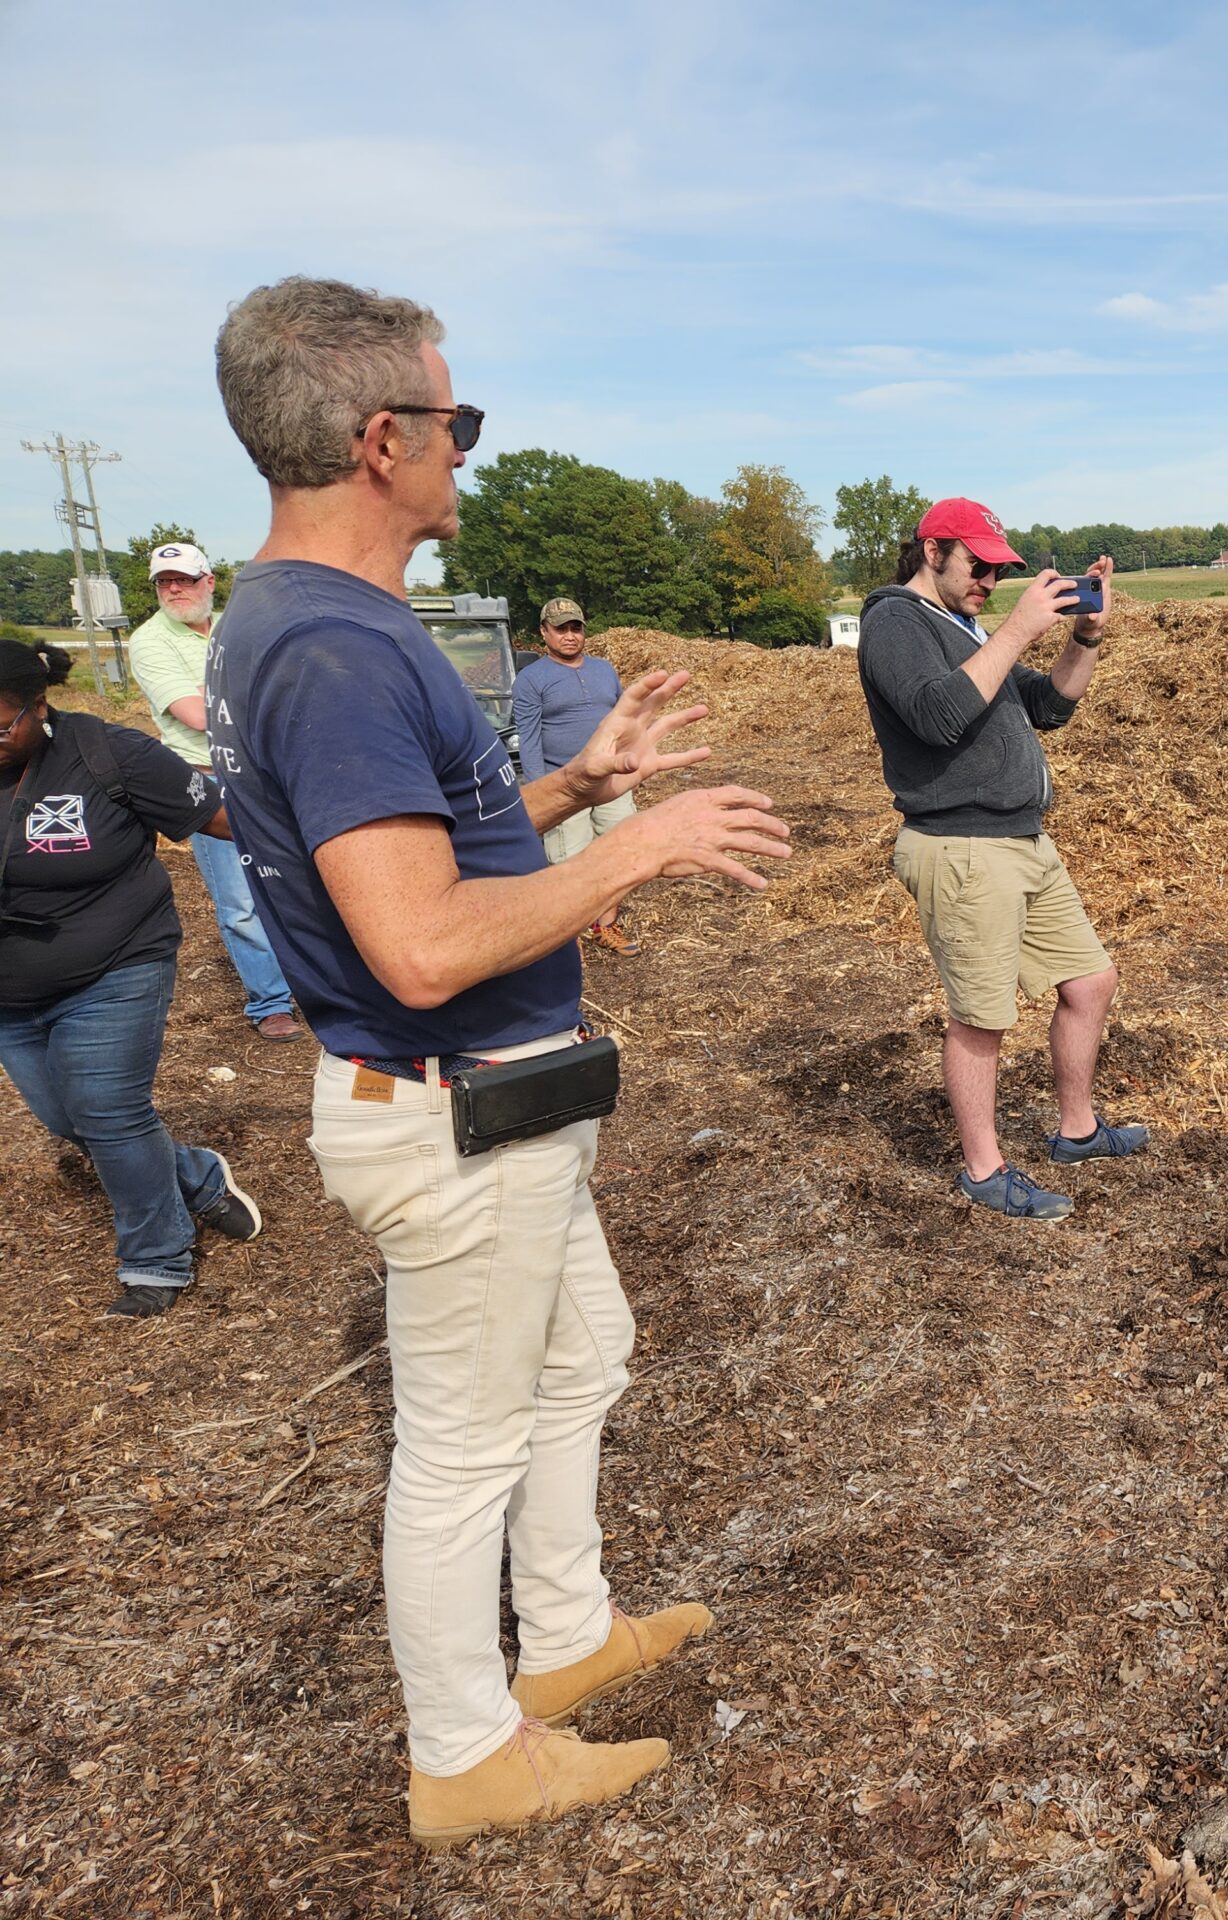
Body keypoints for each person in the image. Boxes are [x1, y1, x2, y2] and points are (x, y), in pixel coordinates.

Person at [206, 275, 791, 1846]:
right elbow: (414, 947)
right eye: (457, 422)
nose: (469, 450)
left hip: (503, 1109)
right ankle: (464, 1754)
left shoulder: (318, 625)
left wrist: (578, 786)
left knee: (582, 1361)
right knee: (460, 1448)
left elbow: (417, 862)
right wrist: (639, 850)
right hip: (455, 1117)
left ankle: (571, 1633)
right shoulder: (333, 648)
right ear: (380, 437)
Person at [858, 498, 1149, 1221]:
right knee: (982, 1017)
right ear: (934, 552)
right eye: (979, 564)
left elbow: (1050, 705)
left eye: (1000, 569)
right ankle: (984, 1172)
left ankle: (1076, 1131)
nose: (991, 577)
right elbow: (936, 716)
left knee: (1090, 981)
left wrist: (1083, 636)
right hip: (961, 847)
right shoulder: (894, 620)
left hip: (1023, 841)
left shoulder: (963, 628)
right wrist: (1018, 630)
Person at [0, 636, 264, 1317]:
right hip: (11, 995)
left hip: (115, 966)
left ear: (39, 705)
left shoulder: (110, 755)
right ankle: (197, 1176)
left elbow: (222, 817)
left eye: (1, 724)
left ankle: (156, 1257)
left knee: (107, 1112)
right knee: (69, 1119)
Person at [125, 538, 304, 1039]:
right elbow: (199, 715)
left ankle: (318, 983)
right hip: (204, 777)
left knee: (297, 877)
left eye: (182, 579)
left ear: (208, 581)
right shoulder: (149, 641)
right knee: (240, 898)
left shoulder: (237, 625)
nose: (173, 590)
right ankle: (270, 1001)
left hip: (268, 771)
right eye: (164, 582)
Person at [513, 597, 639, 955]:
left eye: (575, 628)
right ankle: (568, 937)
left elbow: (621, 720)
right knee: (571, 862)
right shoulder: (531, 679)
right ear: (544, 632)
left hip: (611, 780)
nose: (569, 635)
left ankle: (605, 924)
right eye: (560, 628)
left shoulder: (604, 670)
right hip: (565, 781)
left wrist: (630, 764)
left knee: (618, 852)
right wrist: (545, 790)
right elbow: (530, 738)